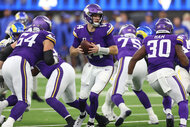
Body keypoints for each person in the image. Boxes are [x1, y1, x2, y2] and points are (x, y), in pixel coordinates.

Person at [127, 18, 189, 127]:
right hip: (166, 73)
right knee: (183, 100)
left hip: (152, 78)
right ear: (170, 28)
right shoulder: (175, 38)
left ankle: (168, 113)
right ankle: (183, 124)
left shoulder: (149, 39)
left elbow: (134, 59)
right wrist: (178, 54)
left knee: (166, 95)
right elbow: (184, 62)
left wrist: (128, 78)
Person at [1, 15, 57, 127]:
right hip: (21, 63)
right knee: (25, 101)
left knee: (17, 96)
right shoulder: (47, 34)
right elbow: (48, 60)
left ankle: (1, 106)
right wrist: (54, 59)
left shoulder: (25, 33)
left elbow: (4, 52)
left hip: (7, 64)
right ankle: (8, 123)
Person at [70, 4, 118, 127]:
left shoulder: (106, 28)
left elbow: (115, 50)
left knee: (93, 94)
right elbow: (72, 51)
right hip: (91, 66)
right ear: (87, 16)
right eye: (94, 15)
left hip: (106, 66)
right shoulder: (79, 29)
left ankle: (91, 122)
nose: (97, 18)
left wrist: (99, 49)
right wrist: (78, 50)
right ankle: (82, 115)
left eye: (99, 16)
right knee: (82, 99)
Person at [102, 25, 159, 126]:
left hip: (127, 61)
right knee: (138, 90)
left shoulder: (116, 38)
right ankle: (152, 116)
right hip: (141, 63)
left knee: (115, 93)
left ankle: (123, 109)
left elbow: (108, 50)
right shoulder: (139, 40)